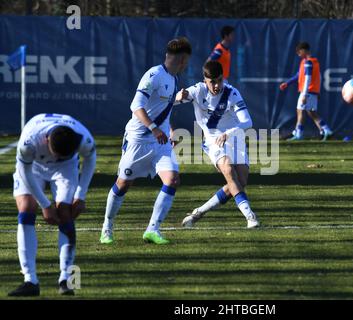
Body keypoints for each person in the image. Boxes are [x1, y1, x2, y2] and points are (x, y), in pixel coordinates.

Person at [99, 37, 192, 245]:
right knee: (123, 184)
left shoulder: (174, 78)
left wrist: (169, 128)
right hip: (138, 140)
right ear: (183, 59)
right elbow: (136, 106)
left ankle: (152, 229)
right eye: (187, 61)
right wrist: (153, 128)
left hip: (160, 143)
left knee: (173, 180)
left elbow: (162, 108)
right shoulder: (154, 75)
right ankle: (107, 227)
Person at [8, 113, 96, 297]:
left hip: (65, 169)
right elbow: (24, 172)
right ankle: (30, 280)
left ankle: (66, 279)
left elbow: (90, 159)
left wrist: (81, 196)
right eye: (57, 155)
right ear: (46, 140)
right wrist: (45, 205)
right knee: (26, 209)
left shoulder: (82, 137)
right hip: (33, 167)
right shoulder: (29, 141)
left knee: (66, 213)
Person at [176, 60, 260, 229]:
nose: (216, 85)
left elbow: (247, 122)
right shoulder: (197, 90)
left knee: (239, 182)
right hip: (212, 140)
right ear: (204, 80)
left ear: (223, 77)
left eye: (219, 80)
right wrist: (178, 97)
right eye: (212, 82)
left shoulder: (232, 93)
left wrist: (228, 133)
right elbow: (171, 101)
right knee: (228, 170)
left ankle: (199, 212)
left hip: (234, 137)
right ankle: (250, 217)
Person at [279, 42, 333, 141]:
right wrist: (288, 83)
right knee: (312, 112)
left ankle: (298, 133)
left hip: (307, 91)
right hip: (312, 91)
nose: (298, 54)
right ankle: (326, 130)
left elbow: (308, 78)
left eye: (299, 52)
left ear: (304, 50)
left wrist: (304, 94)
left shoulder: (308, 62)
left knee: (300, 111)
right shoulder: (312, 61)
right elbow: (300, 75)